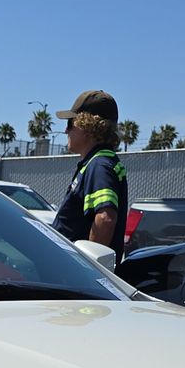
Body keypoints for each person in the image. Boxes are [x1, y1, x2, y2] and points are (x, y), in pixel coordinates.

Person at [49, 90, 129, 263]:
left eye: (71, 123)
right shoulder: (98, 162)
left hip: (74, 276)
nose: (66, 130)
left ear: (87, 126)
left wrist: (89, 269)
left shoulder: (99, 165)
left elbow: (105, 219)